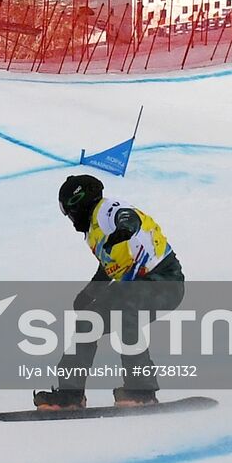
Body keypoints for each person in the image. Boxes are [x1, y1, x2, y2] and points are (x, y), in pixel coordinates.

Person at [33, 174, 184, 411]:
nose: (69, 218)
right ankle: (71, 394)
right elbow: (110, 266)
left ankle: (142, 389)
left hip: (164, 280)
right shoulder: (93, 232)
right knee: (88, 322)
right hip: (133, 285)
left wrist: (125, 229)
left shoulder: (106, 211)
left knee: (127, 313)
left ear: (78, 203)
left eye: (68, 211)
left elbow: (128, 217)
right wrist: (90, 292)